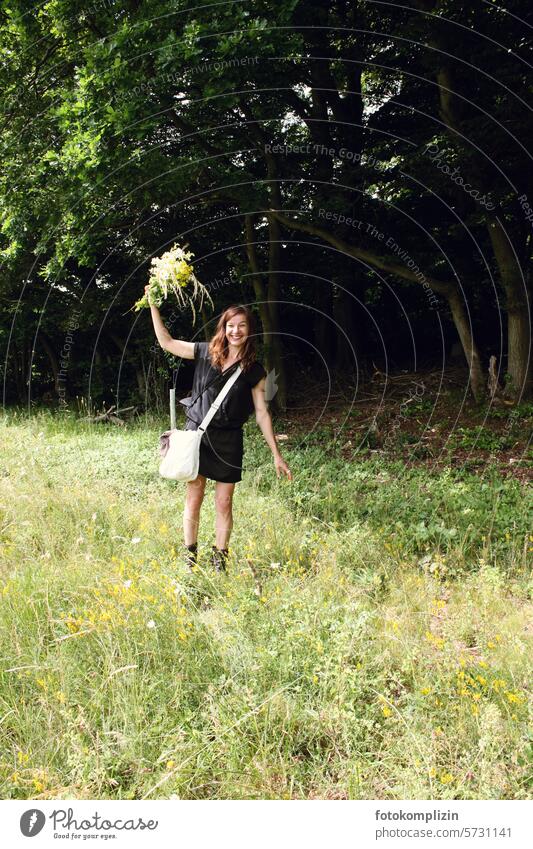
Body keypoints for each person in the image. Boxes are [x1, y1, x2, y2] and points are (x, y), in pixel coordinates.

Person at [147, 293, 292, 572]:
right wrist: (153, 305)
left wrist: (277, 454)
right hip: (197, 436)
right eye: (230, 325)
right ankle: (190, 558)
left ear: (249, 331)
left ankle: (219, 562)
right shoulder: (204, 352)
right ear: (223, 329)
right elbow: (166, 342)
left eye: (242, 326)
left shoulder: (254, 370)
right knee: (195, 495)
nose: (236, 331)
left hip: (229, 441)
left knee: (224, 502)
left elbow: (262, 413)